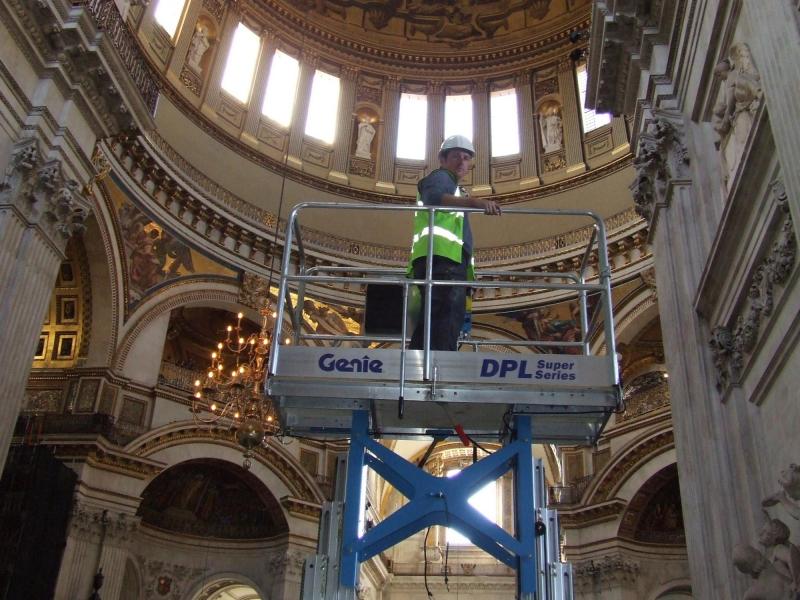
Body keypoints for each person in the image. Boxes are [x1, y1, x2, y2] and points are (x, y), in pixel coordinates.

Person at [408, 135, 501, 351]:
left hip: (441, 261)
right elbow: (433, 196)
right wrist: (476, 203)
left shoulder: (454, 187)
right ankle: (439, 372)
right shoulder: (441, 177)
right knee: (447, 320)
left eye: (466, 158)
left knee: (433, 321)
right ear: (442, 159)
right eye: (456, 156)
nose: (461, 162)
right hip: (443, 262)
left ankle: (420, 367)